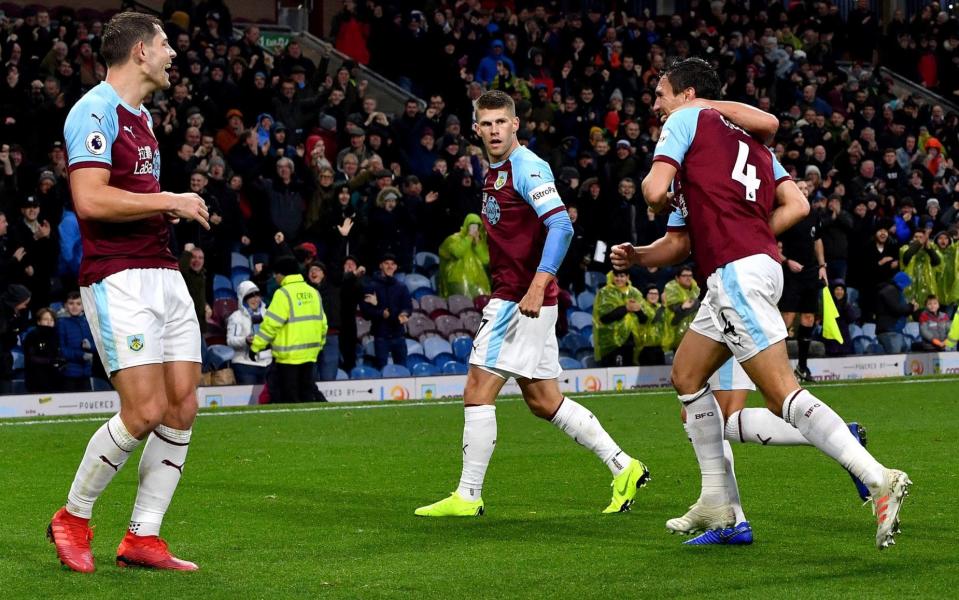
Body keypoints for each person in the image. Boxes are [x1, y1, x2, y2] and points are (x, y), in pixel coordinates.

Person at [611, 57, 908, 550]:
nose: (656, 105)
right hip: (750, 269)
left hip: (735, 274)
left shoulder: (687, 121)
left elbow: (652, 190)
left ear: (687, 94)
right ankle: (717, 501)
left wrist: (659, 199)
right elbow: (786, 208)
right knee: (686, 375)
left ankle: (878, 478)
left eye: (661, 94)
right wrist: (642, 257)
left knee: (781, 395)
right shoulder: (748, 146)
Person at [416, 90, 649, 518]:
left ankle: (468, 495)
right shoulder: (494, 171)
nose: (493, 130)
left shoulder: (527, 167)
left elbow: (560, 225)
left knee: (476, 390)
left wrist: (538, 286)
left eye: (500, 122)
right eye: (485, 124)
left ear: (516, 123)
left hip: (520, 300)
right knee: (544, 401)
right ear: (476, 129)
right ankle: (624, 466)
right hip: (522, 297)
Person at [51, 12, 210, 573]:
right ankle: (73, 516)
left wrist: (167, 210)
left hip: (163, 272)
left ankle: (143, 535)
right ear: (140, 51)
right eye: (166, 44)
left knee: (183, 405)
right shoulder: (93, 110)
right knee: (142, 410)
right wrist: (170, 199)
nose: (173, 54)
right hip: (117, 275)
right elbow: (91, 200)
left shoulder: (141, 118)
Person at [249, 256, 327, 403]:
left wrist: (255, 346)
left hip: (288, 358)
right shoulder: (313, 292)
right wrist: (319, 346)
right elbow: (323, 324)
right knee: (307, 397)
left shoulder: (283, 294)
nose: (274, 277)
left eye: (275, 274)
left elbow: (270, 325)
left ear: (282, 274)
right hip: (310, 355)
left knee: (290, 400)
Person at [778, 179, 827, 382]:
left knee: (808, 318)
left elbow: (817, 240)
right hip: (791, 273)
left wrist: (823, 266)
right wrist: (787, 261)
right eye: (800, 188)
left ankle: (802, 367)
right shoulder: (786, 214)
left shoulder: (813, 215)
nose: (804, 191)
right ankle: (781, 369)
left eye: (806, 188)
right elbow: (771, 243)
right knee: (786, 319)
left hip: (811, 272)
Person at [360, 254, 412, 370]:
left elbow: (408, 307)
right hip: (381, 336)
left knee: (402, 369)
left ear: (396, 267)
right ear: (380, 266)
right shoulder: (371, 286)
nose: (390, 266)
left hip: (399, 335)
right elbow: (365, 312)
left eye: (392, 264)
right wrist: (380, 313)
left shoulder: (401, 287)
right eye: (386, 263)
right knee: (381, 370)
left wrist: (404, 313)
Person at [591, 269, 642, 366]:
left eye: (622, 276)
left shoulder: (635, 293)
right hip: (610, 342)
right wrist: (626, 308)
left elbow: (644, 319)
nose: (619, 279)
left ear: (627, 277)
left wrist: (638, 310)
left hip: (630, 342)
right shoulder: (605, 293)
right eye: (616, 276)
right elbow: (604, 318)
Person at [226, 281, 271, 384]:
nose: (255, 299)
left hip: (267, 363)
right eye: (251, 296)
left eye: (257, 295)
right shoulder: (236, 316)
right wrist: (245, 340)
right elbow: (230, 340)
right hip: (245, 365)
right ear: (243, 298)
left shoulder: (268, 314)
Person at [437, 213, 491, 298]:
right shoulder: (454, 239)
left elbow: (485, 260)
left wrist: (477, 244)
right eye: (472, 226)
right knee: (464, 306)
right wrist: (468, 238)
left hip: (477, 281)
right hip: (458, 279)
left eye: (477, 226)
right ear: (467, 225)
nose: (474, 229)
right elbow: (457, 253)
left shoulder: (479, 243)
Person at [57, 291, 96, 392]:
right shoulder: (61, 323)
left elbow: (97, 345)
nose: (75, 307)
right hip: (68, 373)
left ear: (83, 306)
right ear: (65, 305)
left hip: (86, 371)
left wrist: (90, 346)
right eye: (71, 303)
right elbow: (61, 349)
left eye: (78, 304)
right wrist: (81, 355)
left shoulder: (87, 323)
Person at [0, 284, 32, 394]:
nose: (25, 306)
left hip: (4, 364)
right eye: (24, 303)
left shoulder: (12, 315)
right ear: (15, 301)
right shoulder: (4, 317)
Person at [23, 307, 64, 392]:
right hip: (36, 379)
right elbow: (31, 357)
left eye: (52, 320)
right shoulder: (32, 336)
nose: (49, 322)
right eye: (45, 319)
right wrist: (50, 361)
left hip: (54, 378)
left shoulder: (56, 335)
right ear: (39, 321)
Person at [662, 266, 700, 349]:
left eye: (690, 275)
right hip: (673, 327)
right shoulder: (671, 287)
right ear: (677, 278)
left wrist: (690, 305)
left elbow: (690, 307)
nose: (688, 278)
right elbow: (676, 309)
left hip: (692, 328)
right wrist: (694, 304)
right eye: (684, 276)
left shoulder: (696, 287)